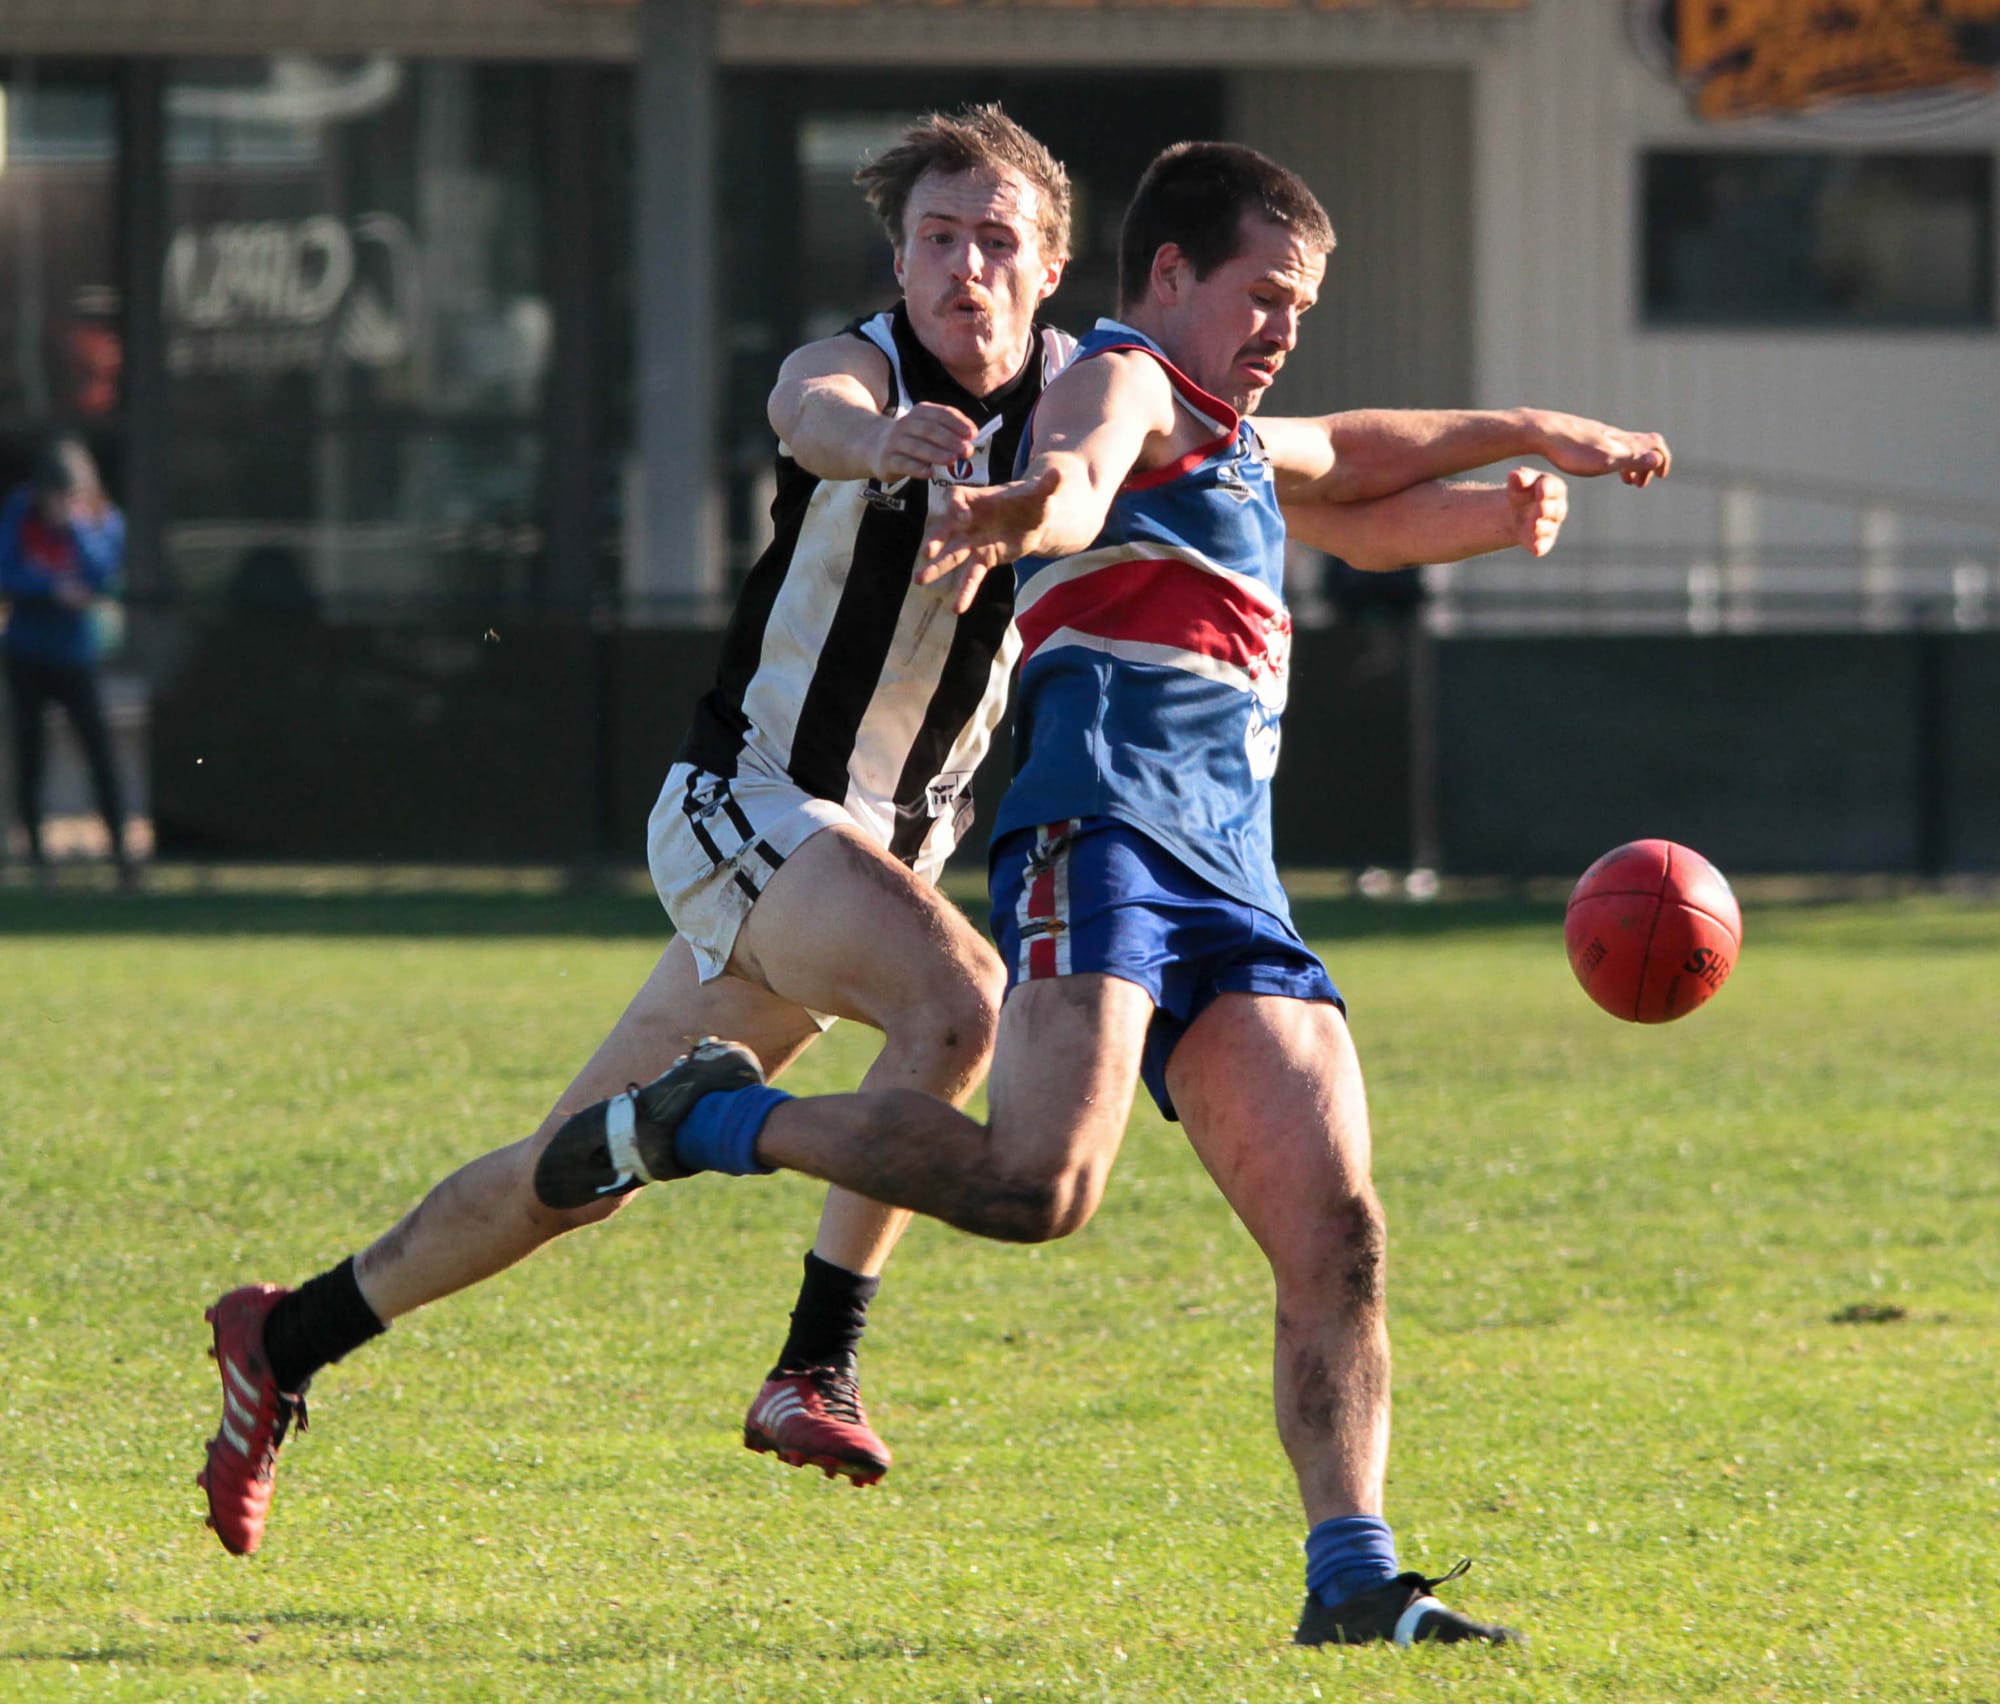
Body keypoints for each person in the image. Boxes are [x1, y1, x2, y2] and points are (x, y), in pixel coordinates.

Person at [197, 110, 1668, 1563]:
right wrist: (886, 437)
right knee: (961, 1002)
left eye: (993, 242)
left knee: (567, 1171)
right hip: (755, 807)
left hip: (871, 856)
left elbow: (1331, 460)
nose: (959, 269)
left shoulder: (1108, 384)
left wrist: (1509, 468)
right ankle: (814, 1363)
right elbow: (805, 414)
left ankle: (291, 1335)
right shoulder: (870, 368)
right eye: (932, 240)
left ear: (1054, 268)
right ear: (898, 259)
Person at [0, 435, 133, 885]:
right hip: (26, 653)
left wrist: (75, 525)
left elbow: (103, 575)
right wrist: (51, 589)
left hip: (77, 656)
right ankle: (37, 856)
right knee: (30, 752)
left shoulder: (103, 518)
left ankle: (122, 856)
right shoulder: (22, 511)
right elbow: (6, 571)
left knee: (99, 753)